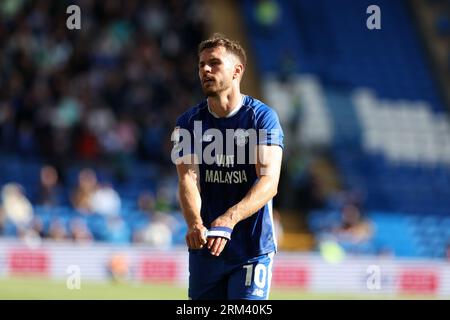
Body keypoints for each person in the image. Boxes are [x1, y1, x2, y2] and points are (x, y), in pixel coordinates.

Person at [172, 34, 284, 300]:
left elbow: (269, 182)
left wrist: (229, 219)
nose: (205, 70)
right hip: (207, 247)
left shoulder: (263, 118)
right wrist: (195, 223)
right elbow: (188, 179)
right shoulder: (187, 123)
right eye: (201, 65)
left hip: (251, 247)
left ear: (237, 71)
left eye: (214, 63)